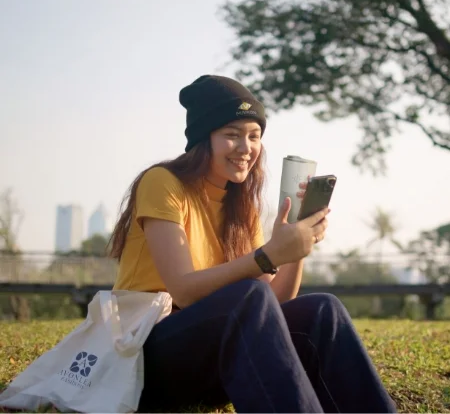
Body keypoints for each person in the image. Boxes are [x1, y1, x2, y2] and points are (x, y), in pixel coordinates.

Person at [110, 75, 396, 413]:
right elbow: (183, 291)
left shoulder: (240, 204)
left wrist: (294, 246)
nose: (246, 148)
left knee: (324, 309)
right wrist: (268, 254)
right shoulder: (163, 183)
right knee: (249, 295)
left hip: (213, 358)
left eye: (254, 136)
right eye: (231, 135)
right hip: (143, 357)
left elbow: (273, 301)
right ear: (204, 139)